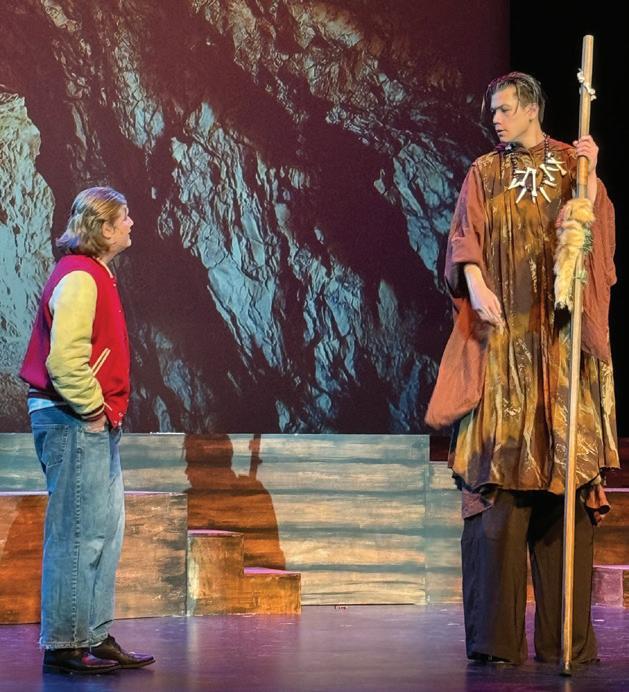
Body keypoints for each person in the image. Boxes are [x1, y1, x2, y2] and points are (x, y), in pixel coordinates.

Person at [425, 72, 619, 665]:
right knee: (498, 490)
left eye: (505, 109)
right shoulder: (484, 172)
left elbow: (598, 248)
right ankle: (495, 643)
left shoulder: (571, 166)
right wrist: (475, 282)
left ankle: (566, 642)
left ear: (532, 108)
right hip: (504, 353)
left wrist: (591, 184)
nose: (496, 119)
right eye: (493, 112)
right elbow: (464, 237)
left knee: (565, 489)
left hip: (557, 354)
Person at [19, 187, 155, 674]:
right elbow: (64, 360)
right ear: (103, 228)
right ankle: (65, 644)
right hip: (72, 418)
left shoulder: (95, 273)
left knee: (102, 532)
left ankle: (93, 634)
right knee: (77, 534)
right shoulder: (79, 277)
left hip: (88, 421)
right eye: (124, 217)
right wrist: (93, 407)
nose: (131, 223)